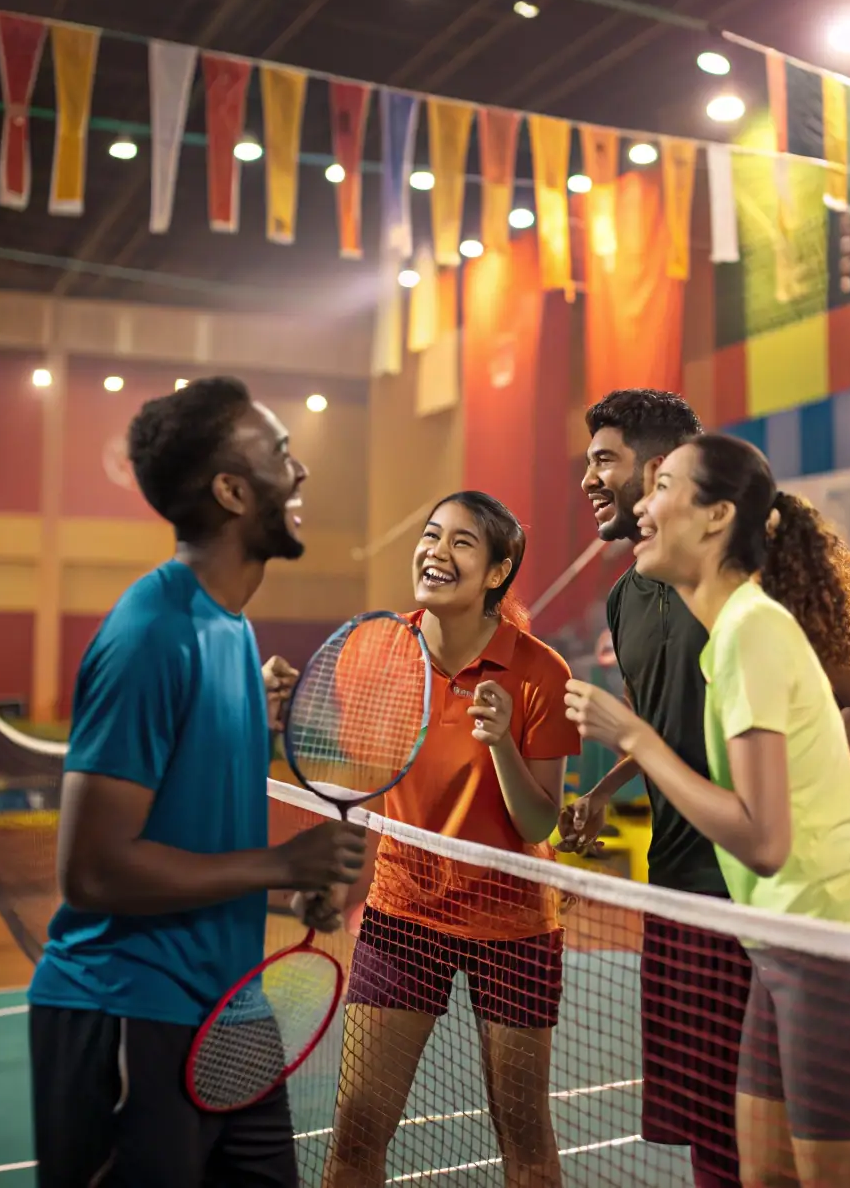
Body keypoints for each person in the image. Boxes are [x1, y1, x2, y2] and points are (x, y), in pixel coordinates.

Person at [28, 377, 367, 1188]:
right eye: (282, 454)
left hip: (232, 1006)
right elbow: (94, 869)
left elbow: (199, 842)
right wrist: (285, 865)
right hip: (130, 1009)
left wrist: (295, 891)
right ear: (231, 489)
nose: (301, 473)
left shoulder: (233, 633)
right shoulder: (152, 634)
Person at [565, 433, 850, 1188]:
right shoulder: (729, 635)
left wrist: (632, 736)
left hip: (840, 956)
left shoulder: (753, 630)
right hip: (775, 949)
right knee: (760, 1175)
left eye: (662, 485)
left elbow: (763, 839)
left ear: (716, 515)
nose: (641, 503)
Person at [322, 491, 580, 1188]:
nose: (437, 550)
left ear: (498, 571)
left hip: (513, 921)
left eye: (462, 542)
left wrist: (501, 746)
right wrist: (333, 878)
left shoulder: (540, 672)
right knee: (355, 1130)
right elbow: (366, 779)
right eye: (432, 534)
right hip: (404, 909)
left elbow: (539, 824)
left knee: (523, 1132)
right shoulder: (374, 649)